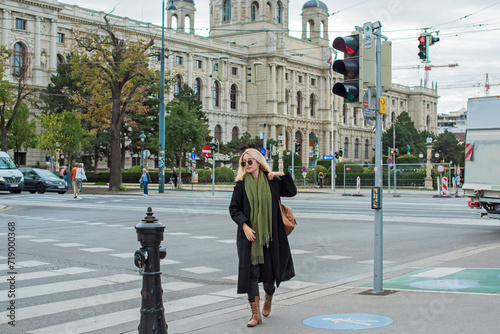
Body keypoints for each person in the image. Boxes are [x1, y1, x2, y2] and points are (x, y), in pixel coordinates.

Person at [229, 148, 297, 327]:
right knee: (252, 275)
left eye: (250, 161)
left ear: (259, 162)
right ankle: (255, 314)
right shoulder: (241, 185)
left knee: (268, 275)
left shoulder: (272, 181)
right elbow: (234, 209)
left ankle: (269, 295)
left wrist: (279, 174)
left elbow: (291, 191)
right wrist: (244, 226)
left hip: (270, 235)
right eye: (244, 162)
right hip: (249, 237)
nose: (247, 165)